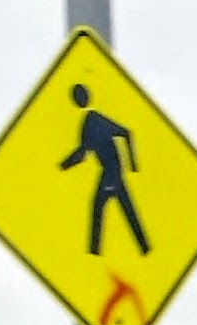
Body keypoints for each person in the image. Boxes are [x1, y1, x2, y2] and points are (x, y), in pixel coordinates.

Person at [59, 83, 150, 256]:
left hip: (112, 172)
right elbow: (83, 153)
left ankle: (96, 253)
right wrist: (63, 166)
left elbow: (126, 133)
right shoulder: (88, 124)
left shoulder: (94, 120)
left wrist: (134, 166)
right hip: (110, 172)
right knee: (118, 210)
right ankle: (142, 249)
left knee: (103, 209)